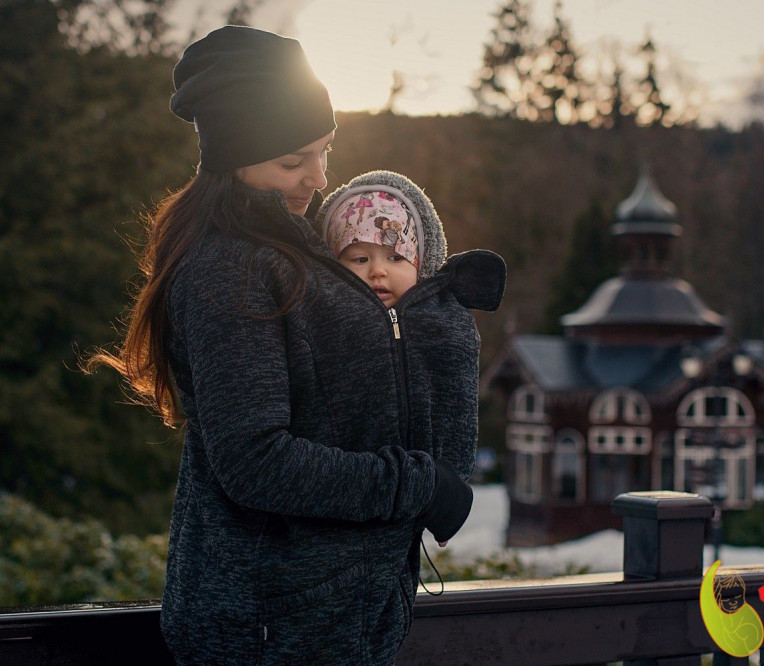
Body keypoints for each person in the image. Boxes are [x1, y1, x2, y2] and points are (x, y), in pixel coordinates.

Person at [87, 25, 502, 665]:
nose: (317, 178)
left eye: (324, 152)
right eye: (292, 161)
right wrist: (415, 485)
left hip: (332, 620)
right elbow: (257, 461)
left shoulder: (297, 250)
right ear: (234, 159)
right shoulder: (229, 269)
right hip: (268, 628)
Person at [317, 170, 506, 491]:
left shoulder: (446, 322)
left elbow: (457, 407)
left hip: (427, 487)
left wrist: (449, 483)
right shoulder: (320, 320)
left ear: (421, 262)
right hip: (351, 485)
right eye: (359, 258)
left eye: (395, 257)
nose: (378, 270)